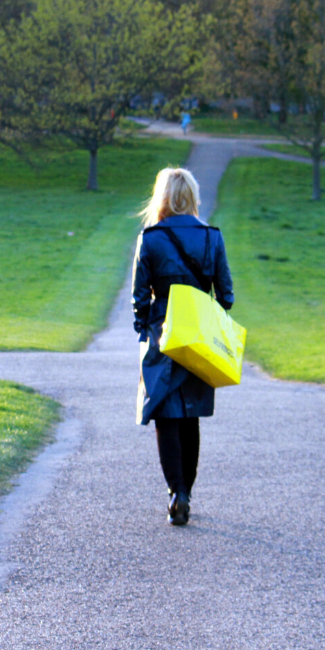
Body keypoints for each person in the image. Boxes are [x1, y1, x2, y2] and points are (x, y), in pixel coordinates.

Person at [132, 167, 234, 526]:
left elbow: (139, 299)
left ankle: (177, 491)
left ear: (161, 197)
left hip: (162, 334)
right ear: (191, 196)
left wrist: (145, 331)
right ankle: (185, 491)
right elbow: (227, 296)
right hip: (199, 335)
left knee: (164, 413)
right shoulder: (212, 238)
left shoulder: (150, 238)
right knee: (190, 415)